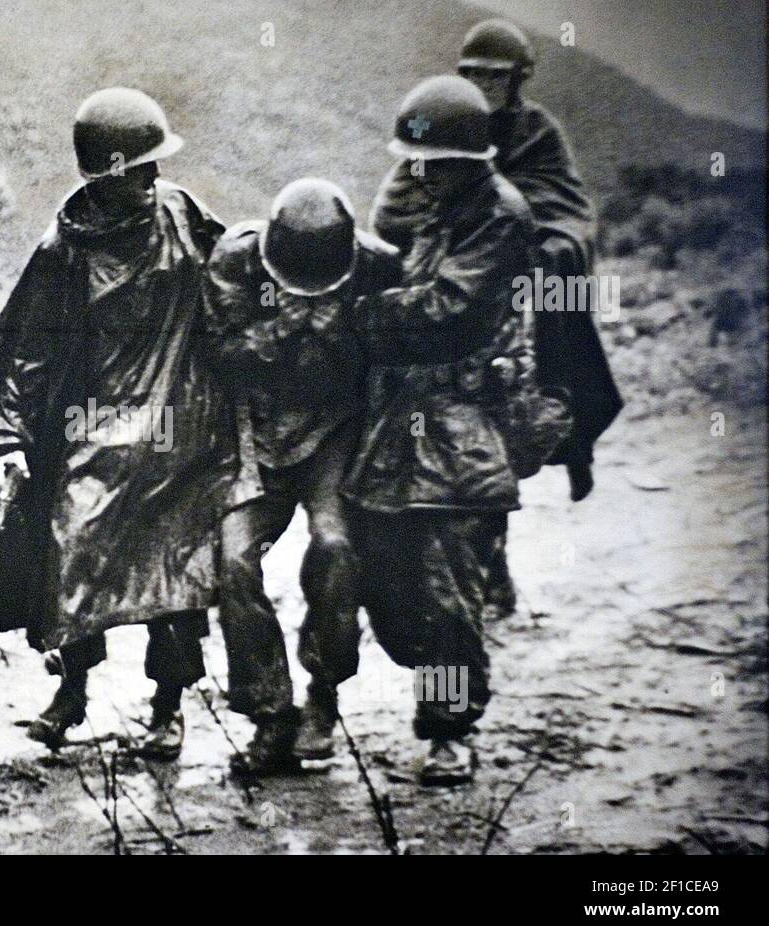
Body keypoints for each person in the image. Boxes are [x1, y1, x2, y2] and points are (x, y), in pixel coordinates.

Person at [0, 88, 235, 758]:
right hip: (97, 428)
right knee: (70, 542)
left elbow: (235, 274)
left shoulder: (182, 214)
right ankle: (71, 691)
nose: (154, 178)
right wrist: (4, 440)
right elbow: (20, 352)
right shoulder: (64, 249)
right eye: (140, 168)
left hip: (178, 429)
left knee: (176, 566)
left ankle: (168, 707)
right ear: (106, 175)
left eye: (157, 165)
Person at [373, 19, 623, 615]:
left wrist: (527, 235)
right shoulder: (445, 122)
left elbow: (564, 203)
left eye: (496, 76)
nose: (485, 85)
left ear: (518, 81)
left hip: (520, 283)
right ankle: (481, 568)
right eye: (475, 74)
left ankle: (569, 422)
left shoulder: (538, 131)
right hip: (445, 289)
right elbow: (391, 213)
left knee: (516, 407)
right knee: (449, 445)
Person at [345, 76, 535, 786]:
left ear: (465, 159)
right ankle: (436, 684)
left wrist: (358, 316)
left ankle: (450, 731)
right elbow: (395, 261)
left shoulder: (499, 216)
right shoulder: (436, 206)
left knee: (450, 590)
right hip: (399, 424)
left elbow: (450, 309)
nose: (414, 173)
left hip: (465, 431)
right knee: (386, 587)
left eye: (426, 161)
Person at [201, 179, 400, 774]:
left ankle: (324, 691)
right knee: (234, 561)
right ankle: (269, 713)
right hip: (254, 436)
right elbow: (220, 352)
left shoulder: (376, 267)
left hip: (334, 434)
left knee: (337, 547)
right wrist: (288, 326)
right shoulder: (235, 260)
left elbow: (399, 351)